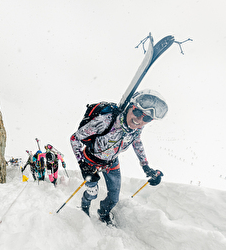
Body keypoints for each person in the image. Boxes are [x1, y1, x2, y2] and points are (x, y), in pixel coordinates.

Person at [70, 89, 167, 225]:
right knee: (92, 192)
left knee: (114, 198)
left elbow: (137, 142)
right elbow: (75, 138)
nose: (139, 119)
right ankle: (84, 207)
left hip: (111, 162)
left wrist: (146, 167)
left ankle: (103, 213)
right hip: (90, 160)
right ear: (129, 108)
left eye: (146, 118)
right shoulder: (105, 121)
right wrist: (83, 165)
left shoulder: (137, 128)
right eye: (137, 112)